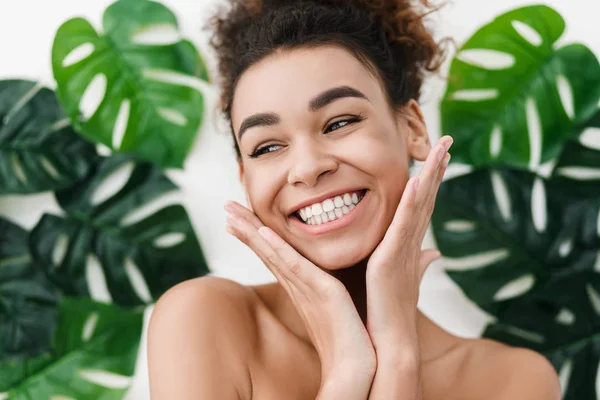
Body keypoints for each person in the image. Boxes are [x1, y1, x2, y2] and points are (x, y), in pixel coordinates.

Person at [147, 0, 561, 398]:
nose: (307, 168)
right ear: (245, 178)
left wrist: (398, 354)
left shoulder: (511, 381)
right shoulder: (204, 322)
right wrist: (347, 369)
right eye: (267, 148)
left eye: (340, 122)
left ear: (413, 128)